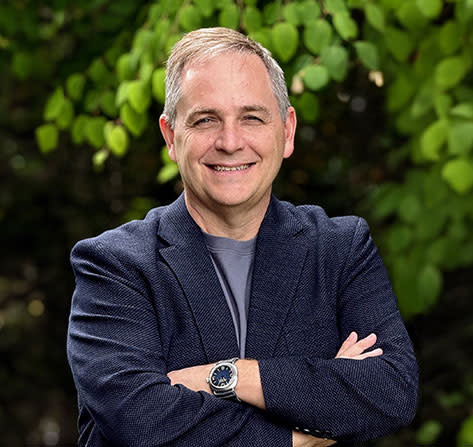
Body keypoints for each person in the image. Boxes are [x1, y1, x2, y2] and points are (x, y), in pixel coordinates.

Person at [67, 27, 418, 447]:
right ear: (170, 137)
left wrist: (227, 376)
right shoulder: (114, 264)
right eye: (205, 119)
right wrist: (300, 435)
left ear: (286, 132)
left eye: (252, 117)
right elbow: (141, 421)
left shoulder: (340, 249)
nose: (230, 142)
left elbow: (391, 391)